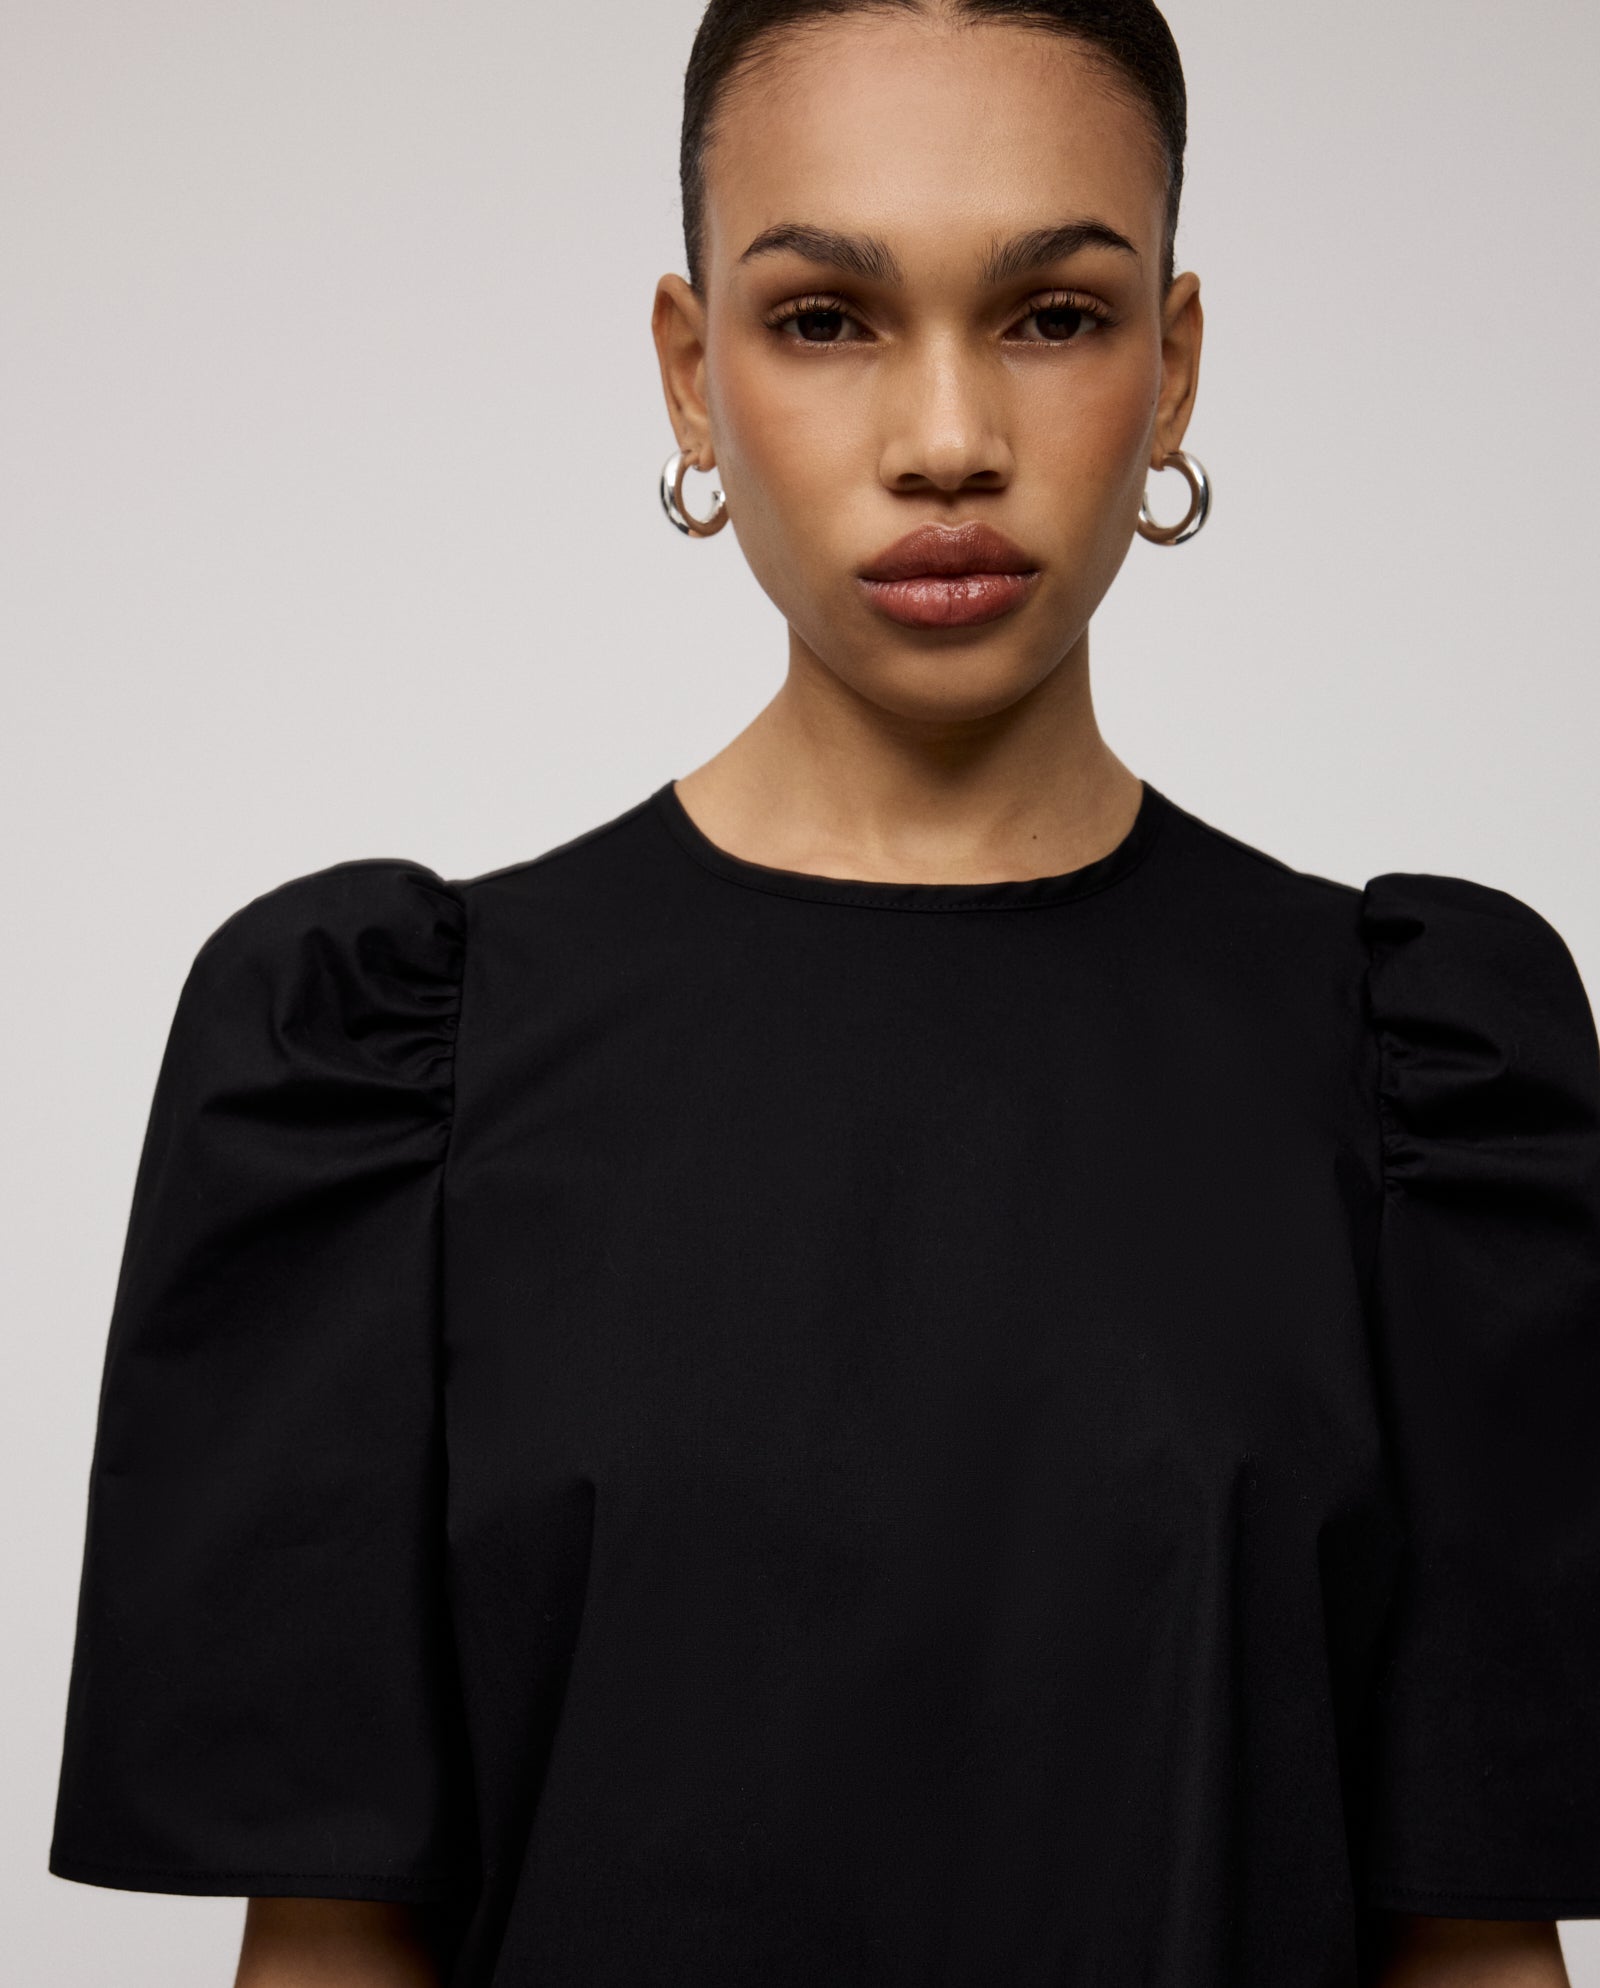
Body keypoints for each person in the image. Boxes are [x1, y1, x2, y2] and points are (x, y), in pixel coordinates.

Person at [47, 2, 1600, 1984]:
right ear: (692, 375)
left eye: (1052, 314)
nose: (946, 438)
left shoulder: (1422, 1082)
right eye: (825, 320)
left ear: (1174, 364)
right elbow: (333, 1953)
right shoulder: (377, 1071)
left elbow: (1472, 1950)